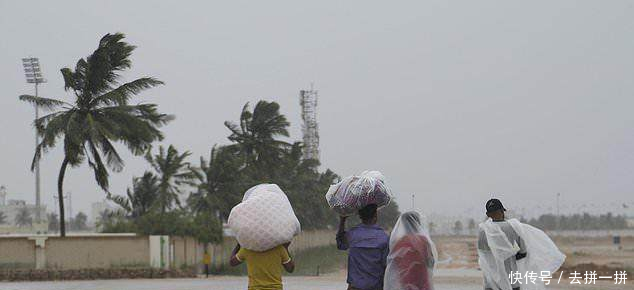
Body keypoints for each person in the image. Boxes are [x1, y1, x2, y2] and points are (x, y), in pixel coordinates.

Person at [477, 198, 527, 290]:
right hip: (511, 281)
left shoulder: (483, 230)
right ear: (502, 211)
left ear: (488, 215)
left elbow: (483, 255)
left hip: (491, 282)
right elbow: (523, 252)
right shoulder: (513, 227)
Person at [337, 204, 389, 290]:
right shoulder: (384, 238)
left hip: (354, 287)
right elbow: (386, 266)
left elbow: (340, 245)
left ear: (360, 216)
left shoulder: (352, 235)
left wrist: (342, 220)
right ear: (375, 215)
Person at [384, 211, 436, 290]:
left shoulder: (399, 242)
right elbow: (431, 262)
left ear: (403, 224)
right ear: (418, 223)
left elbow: (393, 265)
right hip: (422, 281)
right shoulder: (424, 241)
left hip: (405, 282)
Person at [229, 242, 295, 290]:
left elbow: (232, 262)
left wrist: (238, 244)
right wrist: (286, 248)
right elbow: (290, 269)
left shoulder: (248, 249)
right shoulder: (279, 249)